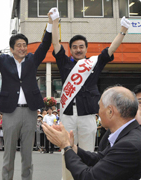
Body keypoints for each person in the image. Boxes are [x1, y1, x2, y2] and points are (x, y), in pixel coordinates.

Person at [0, 9, 53, 180]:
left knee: (27, 154)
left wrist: (50, 23)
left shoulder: (32, 59)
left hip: (31, 111)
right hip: (11, 112)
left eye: (24, 45)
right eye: (18, 45)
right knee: (8, 153)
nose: (22, 48)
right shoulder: (4, 61)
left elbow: (45, 45)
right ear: (11, 48)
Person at [52, 14, 131, 179]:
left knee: (87, 151)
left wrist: (123, 30)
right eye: (74, 47)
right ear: (70, 49)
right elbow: (55, 43)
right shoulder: (64, 62)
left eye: (81, 46)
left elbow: (111, 49)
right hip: (67, 115)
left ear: (86, 49)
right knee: (66, 149)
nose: (78, 49)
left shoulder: (94, 63)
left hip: (87, 113)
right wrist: (54, 22)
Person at [42, 85, 141, 180]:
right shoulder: (126, 134)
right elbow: (101, 158)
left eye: (100, 107)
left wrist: (66, 146)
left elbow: (89, 177)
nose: (98, 112)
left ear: (110, 111)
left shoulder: (128, 145)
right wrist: (73, 147)